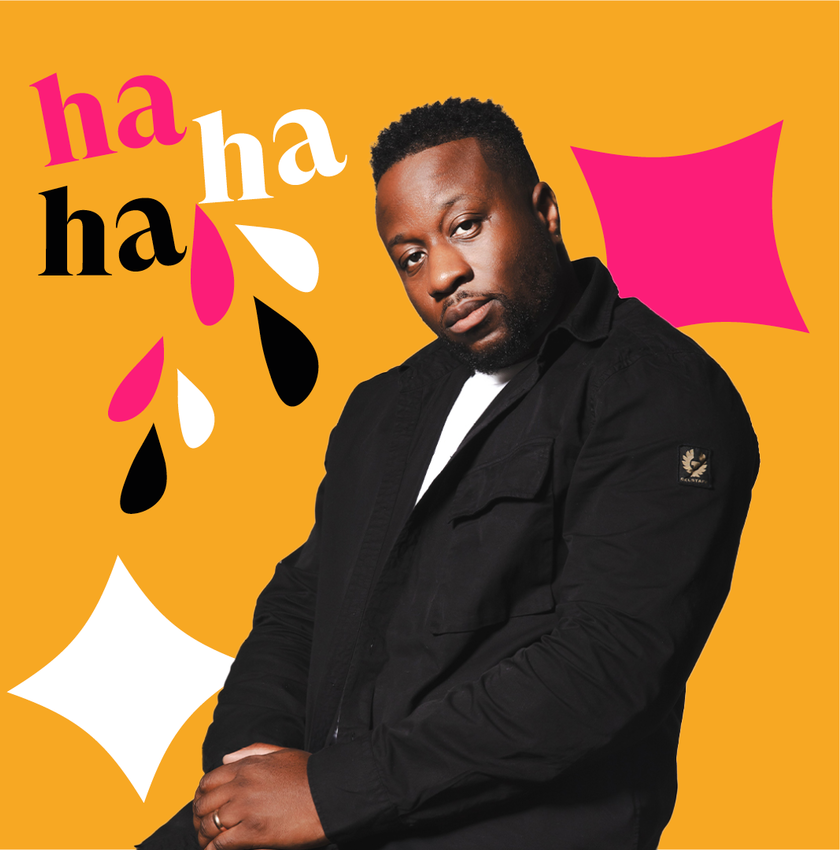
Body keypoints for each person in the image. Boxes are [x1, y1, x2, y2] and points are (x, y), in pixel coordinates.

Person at [139, 98, 759, 850]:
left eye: (465, 225)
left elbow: (606, 666)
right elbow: (304, 600)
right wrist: (253, 762)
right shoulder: (387, 406)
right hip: (325, 806)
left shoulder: (654, 389)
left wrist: (333, 794)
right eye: (410, 255)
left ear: (544, 212)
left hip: (492, 826)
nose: (444, 274)